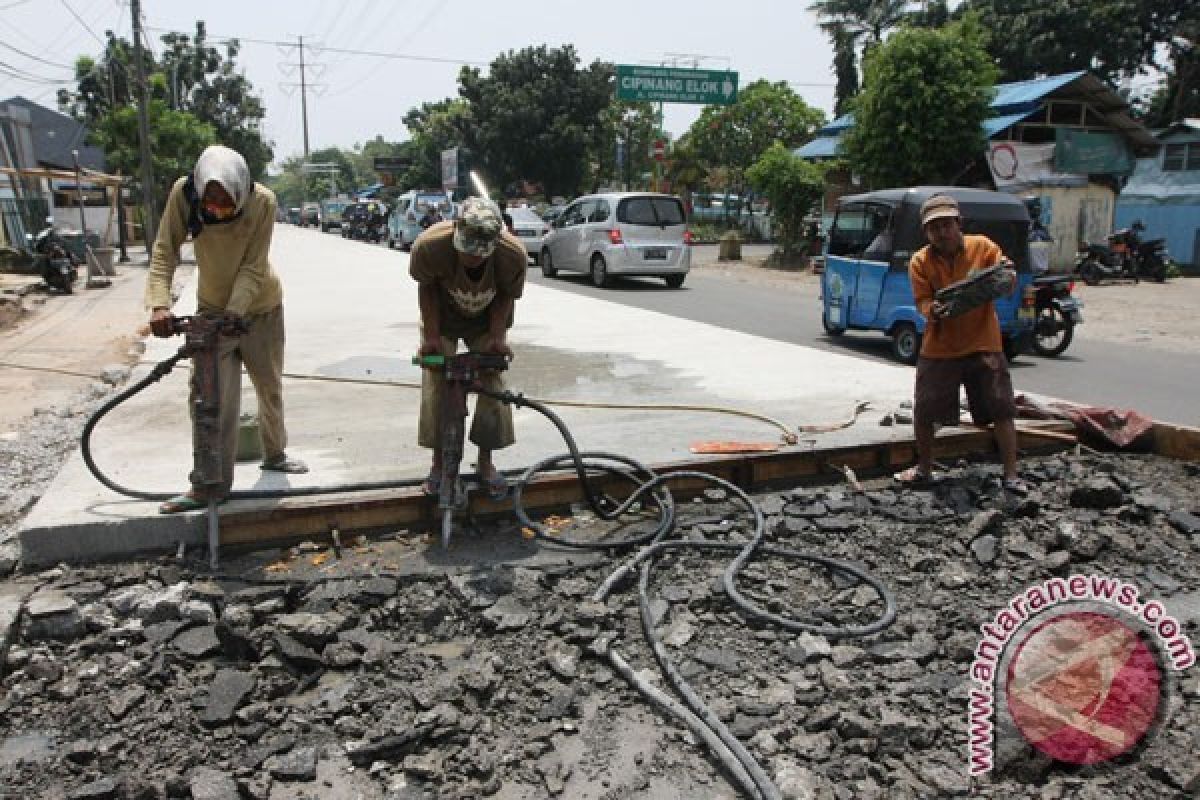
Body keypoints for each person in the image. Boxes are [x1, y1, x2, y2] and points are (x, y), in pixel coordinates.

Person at [145, 144, 308, 515]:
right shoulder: (183, 194)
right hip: (212, 307)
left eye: (226, 202)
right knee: (210, 398)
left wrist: (235, 313)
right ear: (201, 191)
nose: (218, 208)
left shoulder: (262, 201)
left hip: (261, 307)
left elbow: (254, 265)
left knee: (269, 385)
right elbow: (164, 250)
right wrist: (159, 304)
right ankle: (209, 482)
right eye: (212, 201)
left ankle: (275, 453)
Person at [894, 193, 1025, 493]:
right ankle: (924, 469)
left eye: (946, 225)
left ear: (958, 223)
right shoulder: (920, 261)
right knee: (925, 411)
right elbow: (922, 301)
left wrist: (1009, 274)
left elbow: (1006, 280)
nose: (941, 232)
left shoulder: (984, 248)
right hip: (939, 347)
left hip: (984, 343)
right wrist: (933, 310)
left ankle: (1012, 475)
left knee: (1002, 409)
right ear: (926, 232)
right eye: (934, 227)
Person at [410, 197, 527, 499]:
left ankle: (486, 462)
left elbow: (505, 296)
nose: (472, 259)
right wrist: (432, 339)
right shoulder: (430, 247)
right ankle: (438, 464)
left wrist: (498, 339)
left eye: (479, 255)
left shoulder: (512, 256)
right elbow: (427, 290)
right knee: (437, 377)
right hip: (443, 319)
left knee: (493, 381)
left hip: (485, 322)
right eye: (467, 252)